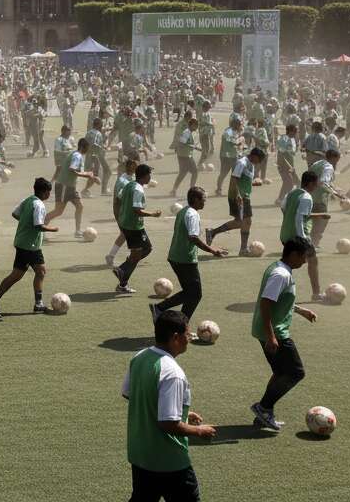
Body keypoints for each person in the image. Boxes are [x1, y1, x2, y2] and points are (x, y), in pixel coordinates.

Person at [122, 310, 216, 502]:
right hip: (169, 460)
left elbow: (131, 394)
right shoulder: (173, 372)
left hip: (141, 453)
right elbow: (168, 424)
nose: (189, 339)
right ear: (175, 338)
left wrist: (183, 413)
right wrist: (199, 431)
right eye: (187, 334)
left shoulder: (139, 357)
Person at [250, 238, 317, 431]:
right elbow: (266, 303)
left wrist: (300, 310)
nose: (304, 262)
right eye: (303, 257)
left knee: (280, 373)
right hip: (275, 332)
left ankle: (265, 413)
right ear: (294, 254)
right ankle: (263, 407)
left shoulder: (279, 268)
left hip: (270, 330)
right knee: (296, 372)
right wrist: (271, 336)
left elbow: (278, 300)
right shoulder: (280, 274)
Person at [0, 177, 59, 318]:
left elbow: (15, 214)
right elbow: (38, 226)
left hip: (23, 242)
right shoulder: (39, 205)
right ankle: (38, 304)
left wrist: (25, 222)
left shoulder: (28, 200)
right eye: (49, 192)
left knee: (17, 275)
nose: (49, 195)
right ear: (44, 192)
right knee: (39, 272)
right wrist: (52, 229)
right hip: (30, 246)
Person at [154, 188, 226, 322]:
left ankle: (178, 322)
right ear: (196, 199)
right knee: (195, 294)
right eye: (203, 199)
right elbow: (193, 237)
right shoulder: (192, 214)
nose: (205, 202)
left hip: (176, 257)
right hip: (184, 259)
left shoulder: (183, 211)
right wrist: (212, 250)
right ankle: (161, 309)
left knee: (190, 293)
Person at [278, 170, 332, 301]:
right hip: (298, 237)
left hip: (285, 234)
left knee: (287, 264)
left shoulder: (292, 193)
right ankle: (316, 294)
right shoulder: (307, 197)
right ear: (311, 183)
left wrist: (320, 215)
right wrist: (302, 238)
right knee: (313, 261)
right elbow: (299, 218)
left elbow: (284, 208)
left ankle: (277, 292)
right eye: (316, 183)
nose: (317, 186)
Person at [205, 147, 265, 254]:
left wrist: (253, 183)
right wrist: (237, 195)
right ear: (254, 156)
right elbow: (234, 179)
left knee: (242, 222)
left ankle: (213, 232)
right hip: (238, 197)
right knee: (245, 222)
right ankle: (242, 248)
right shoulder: (242, 163)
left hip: (244, 196)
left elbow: (243, 180)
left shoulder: (250, 164)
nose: (259, 162)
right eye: (259, 160)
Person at [115, 165, 162, 294]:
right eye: (149, 175)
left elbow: (119, 197)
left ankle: (123, 278)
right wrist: (153, 214)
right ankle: (123, 272)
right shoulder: (138, 190)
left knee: (144, 249)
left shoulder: (129, 185)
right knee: (144, 251)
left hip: (127, 223)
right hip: (133, 226)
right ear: (145, 176)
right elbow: (137, 210)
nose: (151, 177)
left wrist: (122, 213)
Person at [47, 137, 96, 238]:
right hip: (64, 185)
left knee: (79, 206)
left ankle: (77, 231)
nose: (88, 150)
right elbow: (72, 170)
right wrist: (86, 175)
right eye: (87, 147)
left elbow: (77, 171)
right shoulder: (77, 156)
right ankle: (39, 227)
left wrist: (91, 175)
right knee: (58, 211)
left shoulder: (77, 155)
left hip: (71, 187)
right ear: (83, 147)